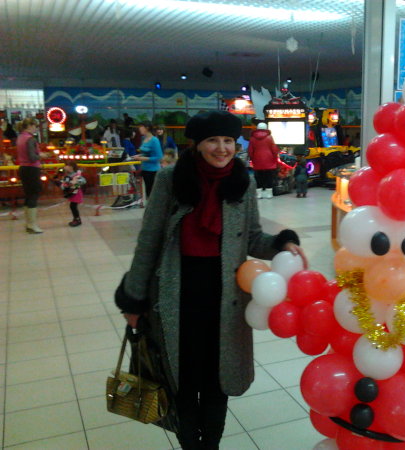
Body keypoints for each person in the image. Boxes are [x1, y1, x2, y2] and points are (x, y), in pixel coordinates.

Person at [114, 110, 308, 449]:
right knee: (183, 379)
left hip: (225, 299)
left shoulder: (242, 183)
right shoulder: (172, 180)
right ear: (197, 144)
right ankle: (191, 443)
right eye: (213, 140)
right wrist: (134, 300)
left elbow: (252, 238)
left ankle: (212, 444)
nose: (222, 148)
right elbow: (149, 242)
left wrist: (282, 243)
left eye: (228, 141)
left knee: (219, 380)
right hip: (177, 296)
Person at [16, 118, 47, 233]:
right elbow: (32, 157)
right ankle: (32, 225)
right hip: (32, 169)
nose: (36, 128)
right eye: (35, 126)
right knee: (34, 195)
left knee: (28, 195)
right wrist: (42, 155)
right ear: (29, 126)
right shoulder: (30, 139)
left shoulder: (20, 137)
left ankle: (29, 224)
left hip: (23, 168)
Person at [247, 122, 279, 199]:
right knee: (269, 177)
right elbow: (274, 149)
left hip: (257, 160)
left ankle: (259, 194)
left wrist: (252, 158)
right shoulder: (269, 137)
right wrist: (275, 157)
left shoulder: (252, 138)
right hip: (269, 160)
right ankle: (269, 194)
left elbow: (250, 150)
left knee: (258, 178)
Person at [133, 122, 162, 197]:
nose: (139, 129)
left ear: (147, 128)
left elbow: (159, 157)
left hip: (153, 171)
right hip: (145, 169)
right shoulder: (143, 139)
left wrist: (142, 158)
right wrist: (139, 156)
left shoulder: (154, 140)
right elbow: (146, 152)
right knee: (147, 191)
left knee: (152, 192)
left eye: (141, 127)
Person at [58, 161, 86, 227]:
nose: (65, 167)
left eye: (66, 165)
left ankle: (77, 219)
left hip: (76, 193)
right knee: (72, 206)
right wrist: (63, 185)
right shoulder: (68, 175)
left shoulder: (76, 175)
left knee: (73, 206)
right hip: (72, 193)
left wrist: (75, 182)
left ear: (71, 167)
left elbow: (83, 181)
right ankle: (76, 219)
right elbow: (65, 183)